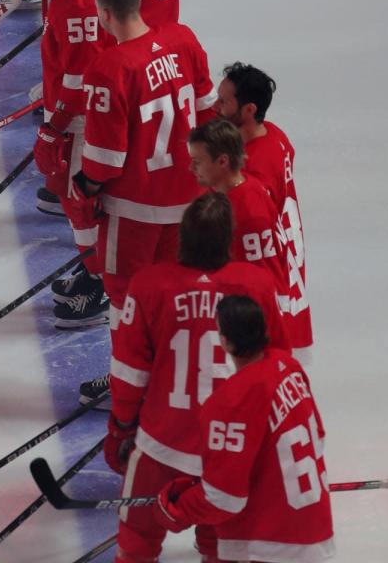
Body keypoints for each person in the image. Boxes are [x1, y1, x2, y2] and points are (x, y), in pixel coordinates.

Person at [106, 193, 286, 563]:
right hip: (230, 451)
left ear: (182, 237)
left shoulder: (149, 284)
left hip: (163, 443)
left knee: (138, 538)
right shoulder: (258, 285)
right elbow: (278, 368)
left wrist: (122, 427)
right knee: (222, 547)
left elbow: (129, 373)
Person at [72, 0, 217, 382]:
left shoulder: (109, 68)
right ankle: (174, 381)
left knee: (126, 302)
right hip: (189, 203)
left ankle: (127, 383)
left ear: (104, 14)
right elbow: (208, 113)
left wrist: (85, 188)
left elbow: (106, 161)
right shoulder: (183, 39)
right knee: (176, 296)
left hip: (135, 212)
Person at [156, 295, 335, 563]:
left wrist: (179, 509)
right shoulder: (289, 366)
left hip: (270, 543)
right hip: (314, 528)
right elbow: (318, 438)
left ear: (225, 341)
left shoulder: (231, 400)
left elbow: (224, 499)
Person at [33, 0, 119, 327]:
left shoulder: (80, 5)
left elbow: (77, 78)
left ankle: (97, 286)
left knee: (80, 202)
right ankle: (92, 271)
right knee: (83, 201)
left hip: (86, 120)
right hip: (97, 110)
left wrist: (53, 127)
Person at [214, 63, 314, 361]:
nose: (215, 106)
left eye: (223, 102)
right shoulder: (276, 136)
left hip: (267, 273)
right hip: (286, 255)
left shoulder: (251, 175)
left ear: (248, 110)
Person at [188, 119, 289, 321]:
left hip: (243, 326)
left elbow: (266, 284)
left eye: (198, 161)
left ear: (223, 161)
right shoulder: (218, 191)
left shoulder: (250, 215)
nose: (191, 167)